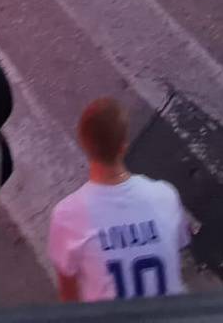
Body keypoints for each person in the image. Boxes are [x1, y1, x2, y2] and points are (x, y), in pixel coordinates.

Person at [47, 97, 191, 302]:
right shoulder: (165, 196)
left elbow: (69, 295)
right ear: (123, 146)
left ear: (83, 143)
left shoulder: (66, 215)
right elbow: (175, 251)